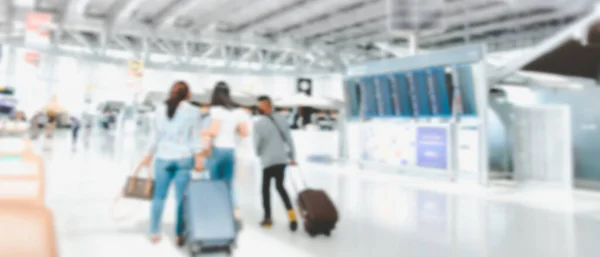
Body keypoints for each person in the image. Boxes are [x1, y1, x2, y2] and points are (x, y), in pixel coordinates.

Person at [138, 81, 204, 246]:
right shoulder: (193, 111)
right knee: (181, 198)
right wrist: (199, 158)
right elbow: (196, 138)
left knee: (158, 197)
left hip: (163, 158)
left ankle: (154, 232)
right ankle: (179, 234)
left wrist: (148, 155)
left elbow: (154, 136)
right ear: (187, 94)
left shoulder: (159, 110)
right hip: (184, 158)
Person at [202, 81, 248, 228]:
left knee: (214, 184)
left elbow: (213, 132)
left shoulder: (216, 110)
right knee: (229, 184)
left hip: (217, 150)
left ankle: (216, 215)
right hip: (231, 151)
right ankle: (235, 215)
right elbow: (244, 132)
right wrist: (232, 129)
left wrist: (202, 131)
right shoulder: (238, 111)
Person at [253, 95, 298, 231]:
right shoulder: (281, 119)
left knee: (265, 189)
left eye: (260, 105)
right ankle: (292, 218)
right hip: (281, 159)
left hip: (268, 161)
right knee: (280, 187)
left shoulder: (259, 123)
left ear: (266, 106)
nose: (259, 108)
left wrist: (258, 153)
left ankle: (268, 218)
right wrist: (292, 156)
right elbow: (288, 138)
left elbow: (257, 145)